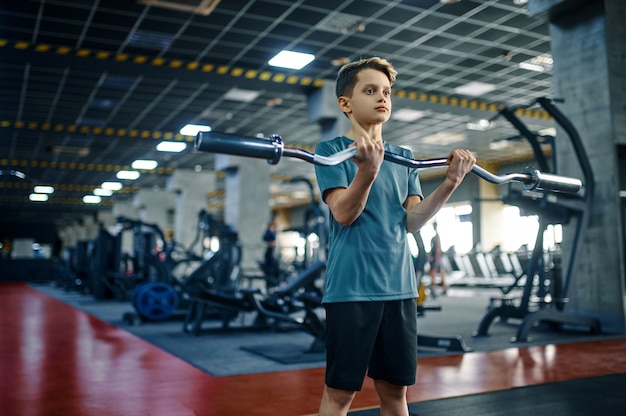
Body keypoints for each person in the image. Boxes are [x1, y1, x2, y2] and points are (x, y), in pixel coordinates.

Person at [314, 57, 475, 415]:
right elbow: (343, 213)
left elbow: (413, 221)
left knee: (395, 393)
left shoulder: (404, 158)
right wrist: (368, 172)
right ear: (346, 103)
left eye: (386, 92)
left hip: (399, 290)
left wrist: (450, 183)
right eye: (370, 91)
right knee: (340, 395)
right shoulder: (331, 153)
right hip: (351, 290)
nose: (382, 98)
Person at [429, 222, 448, 294]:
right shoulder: (435, 236)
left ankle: (436, 287)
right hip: (435, 256)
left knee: (432, 272)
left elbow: (438, 249)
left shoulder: (437, 236)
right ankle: (442, 287)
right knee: (438, 272)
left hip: (436, 257)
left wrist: (437, 259)